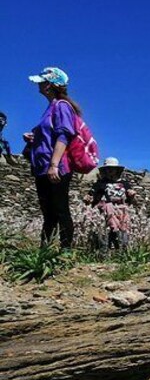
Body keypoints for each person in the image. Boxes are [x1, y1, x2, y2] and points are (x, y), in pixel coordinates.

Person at [23, 67, 79, 249]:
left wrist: (54, 165)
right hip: (42, 168)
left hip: (56, 167)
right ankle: (44, 253)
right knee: (48, 214)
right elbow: (51, 135)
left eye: (41, 81)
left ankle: (66, 252)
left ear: (49, 85)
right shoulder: (51, 107)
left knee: (60, 210)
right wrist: (34, 137)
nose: (38, 84)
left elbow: (64, 135)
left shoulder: (62, 106)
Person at [85, 157, 136, 250]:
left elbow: (130, 195)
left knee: (123, 229)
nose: (110, 171)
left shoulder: (124, 183)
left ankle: (121, 249)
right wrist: (89, 198)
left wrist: (131, 194)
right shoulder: (100, 183)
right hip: (106, 210)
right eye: (108, 169)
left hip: (121, 210)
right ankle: (104, 250)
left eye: (112, 169)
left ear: (116, 170)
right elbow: (92, 193)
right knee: (108, 229)